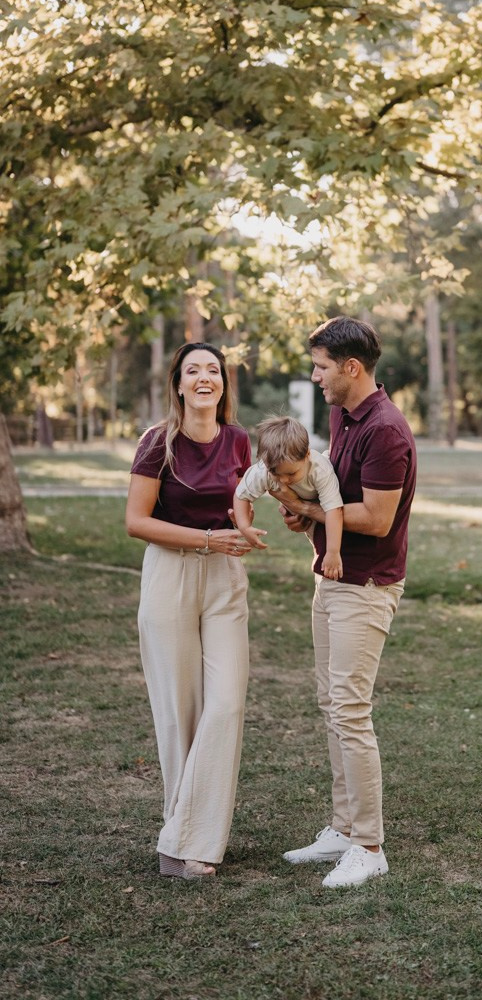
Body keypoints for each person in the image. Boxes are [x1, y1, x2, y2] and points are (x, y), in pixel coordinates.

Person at [274, 315, 417, 889]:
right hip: (331, 578)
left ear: (351, 368)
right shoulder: (342, 414)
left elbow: (378, 519)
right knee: (331, 706)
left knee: (352, 713)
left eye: (322, 366)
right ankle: (341, 827)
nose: (315, 376)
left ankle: (370, 845)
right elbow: (335, 493)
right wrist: (303, 508)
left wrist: (309, 512)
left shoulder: (386, 430)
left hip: (367, 586)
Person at [125, 341, 256, 880]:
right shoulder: (159, 442)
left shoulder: (240, 440)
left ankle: (186, 835)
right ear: (178, 384)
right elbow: (136, 521)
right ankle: (184, 841)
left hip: (225, 580)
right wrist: (206, 538)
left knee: (225, 705)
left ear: (223, 383)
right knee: (179, 712)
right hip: (171, 576)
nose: (205, 377)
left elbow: (246, 502)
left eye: (214, 370)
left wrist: (253, 529)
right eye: (193, 370)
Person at [232, 415, 344, 579]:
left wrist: (333, 552)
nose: (284, 480)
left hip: (322, 502)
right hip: (303, 507)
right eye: (275, 473)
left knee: (325, 542)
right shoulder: (263, 470)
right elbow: (241, 495)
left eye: (291, 473)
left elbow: (335, 510)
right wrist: (245, 527)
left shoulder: (320, 470)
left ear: (307, 455)